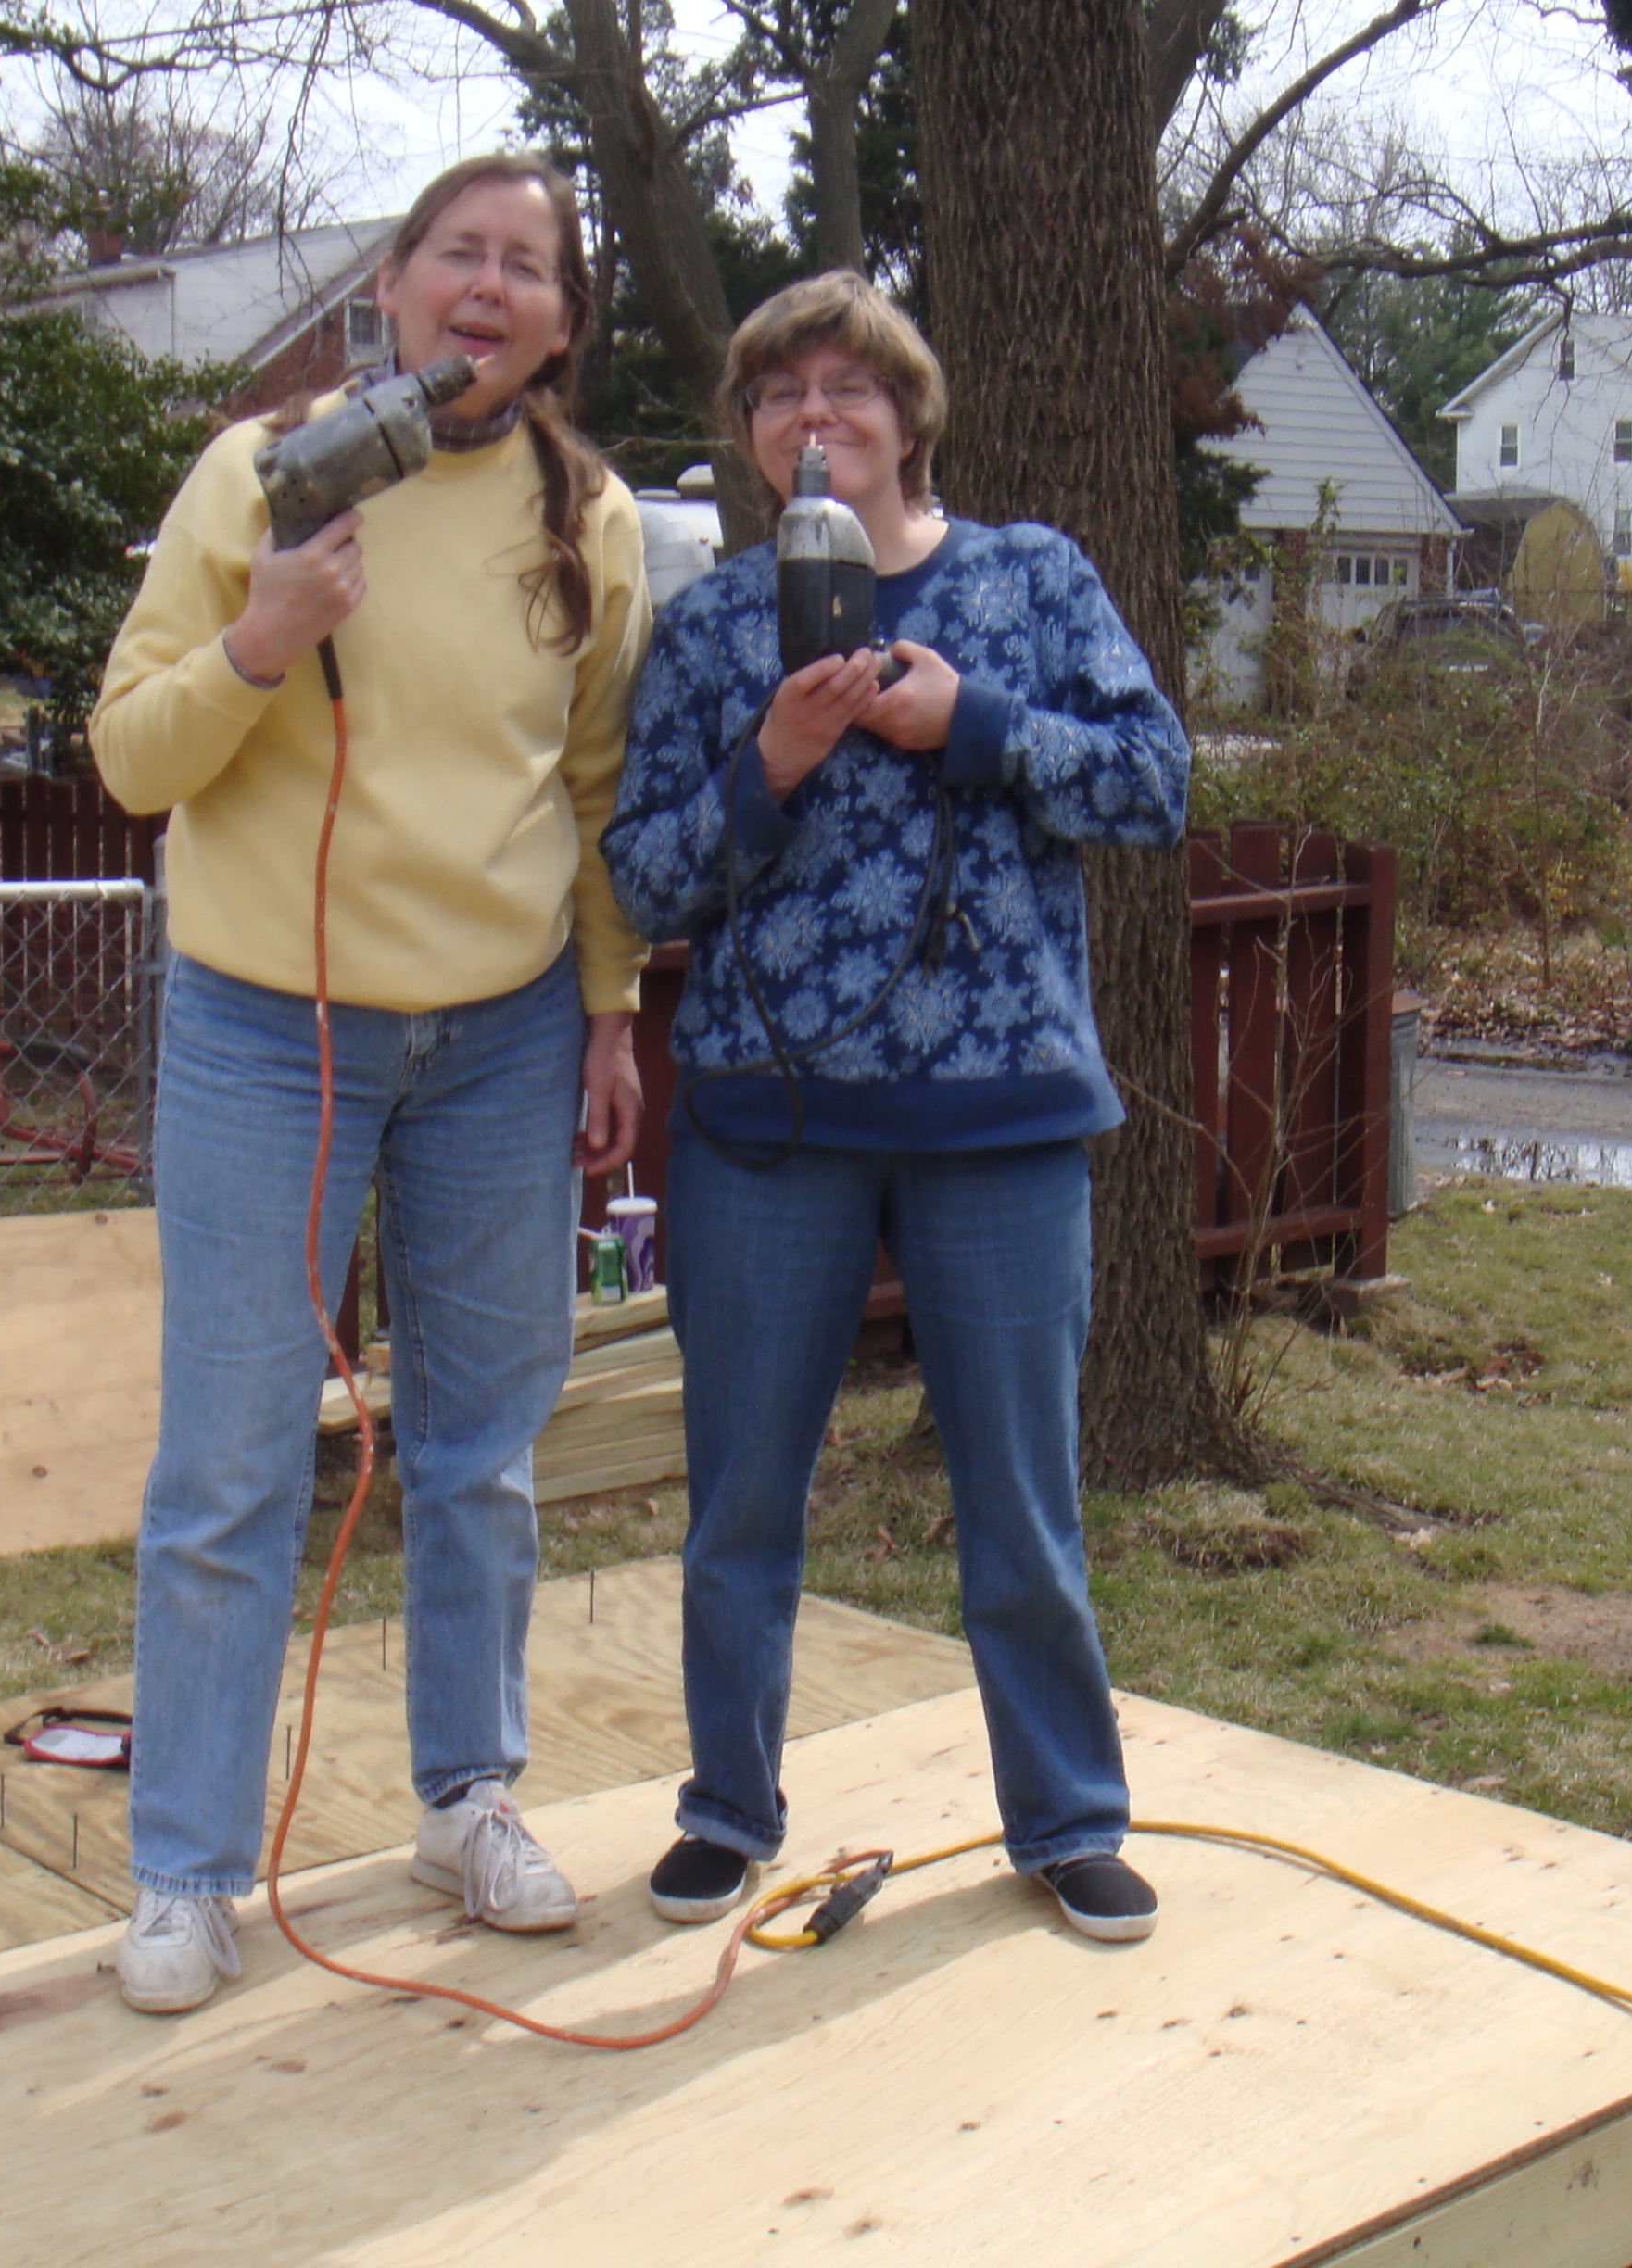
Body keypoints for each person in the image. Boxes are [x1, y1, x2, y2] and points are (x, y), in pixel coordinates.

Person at [89, 153, 651, 2015]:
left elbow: (590, 799)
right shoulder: (261, 475)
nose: (488, 289)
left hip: (497, 1040)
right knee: (233, 1461)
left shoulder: (595, 523)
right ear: (393, 290)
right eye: (457, 256)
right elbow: (130, 759)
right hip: (271, 1029)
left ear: (560, 321)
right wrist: (259, 643)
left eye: (528, 267)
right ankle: (184, 1874)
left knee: (481, 1451)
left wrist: (606, 1014)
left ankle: (467, 1797)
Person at [601, 273, 1190, 1945]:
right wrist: (767, 772)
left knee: (1021, 1501)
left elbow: (1157, 782)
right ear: (751, 437)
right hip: (767, 1128)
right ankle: (728, 1809)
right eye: (781, 397)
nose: (814, 420)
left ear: (908, 419)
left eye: (846, 393)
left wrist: (973, 726)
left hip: (998, 1122)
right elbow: (642, 874)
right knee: (742, 1500)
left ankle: (1067, 1820)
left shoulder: (1031, 578)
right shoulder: (718, 624)